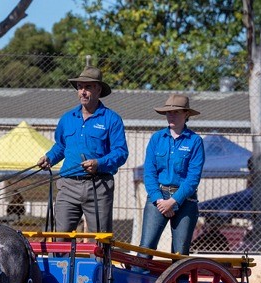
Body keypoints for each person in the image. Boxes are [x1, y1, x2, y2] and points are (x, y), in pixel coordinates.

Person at [38, 66, 129, 233]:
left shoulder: (112, 119)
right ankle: (60, 261)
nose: (83, 92)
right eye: (80, 87)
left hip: (99, 185)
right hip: (68, 185)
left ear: (98, 89)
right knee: (60, 238)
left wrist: (99, 163)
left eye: (88, 87)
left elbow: (121, 152)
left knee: (99, 241)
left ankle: (100, 260)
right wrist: (49, 157)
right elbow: (61, 146)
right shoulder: (67, 118)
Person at [138, 94, 205, 255]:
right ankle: (140, 278)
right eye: (168, 112)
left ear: (186, 114)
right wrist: (160, 200)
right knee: (145, 248)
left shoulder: (195, 141)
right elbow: (149, 172)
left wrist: (173, 202)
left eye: (176, 112)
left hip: (185, 200)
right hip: (158, 198)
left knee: (180, 253)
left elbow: (193, 178)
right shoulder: (156, 139)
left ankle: (179, 280)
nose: (171, 115)